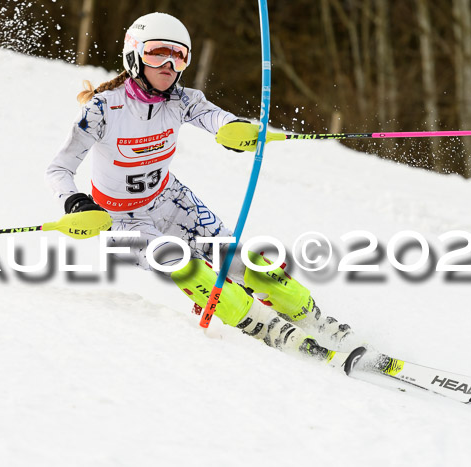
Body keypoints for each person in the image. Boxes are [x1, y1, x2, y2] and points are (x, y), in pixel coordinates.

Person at [46, 12, 359, 372]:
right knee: (191, 269)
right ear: (134, 55)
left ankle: (318, 323)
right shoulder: (101, 109)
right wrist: (74, 201)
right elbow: (58, 168)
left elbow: (218, 118)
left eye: (179, 56)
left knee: (244, 262)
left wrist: (236, 131)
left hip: (172, 201)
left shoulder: (182, 99)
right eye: (157, 54)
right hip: (120, 220)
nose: (168, 64)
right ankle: (272, 331)